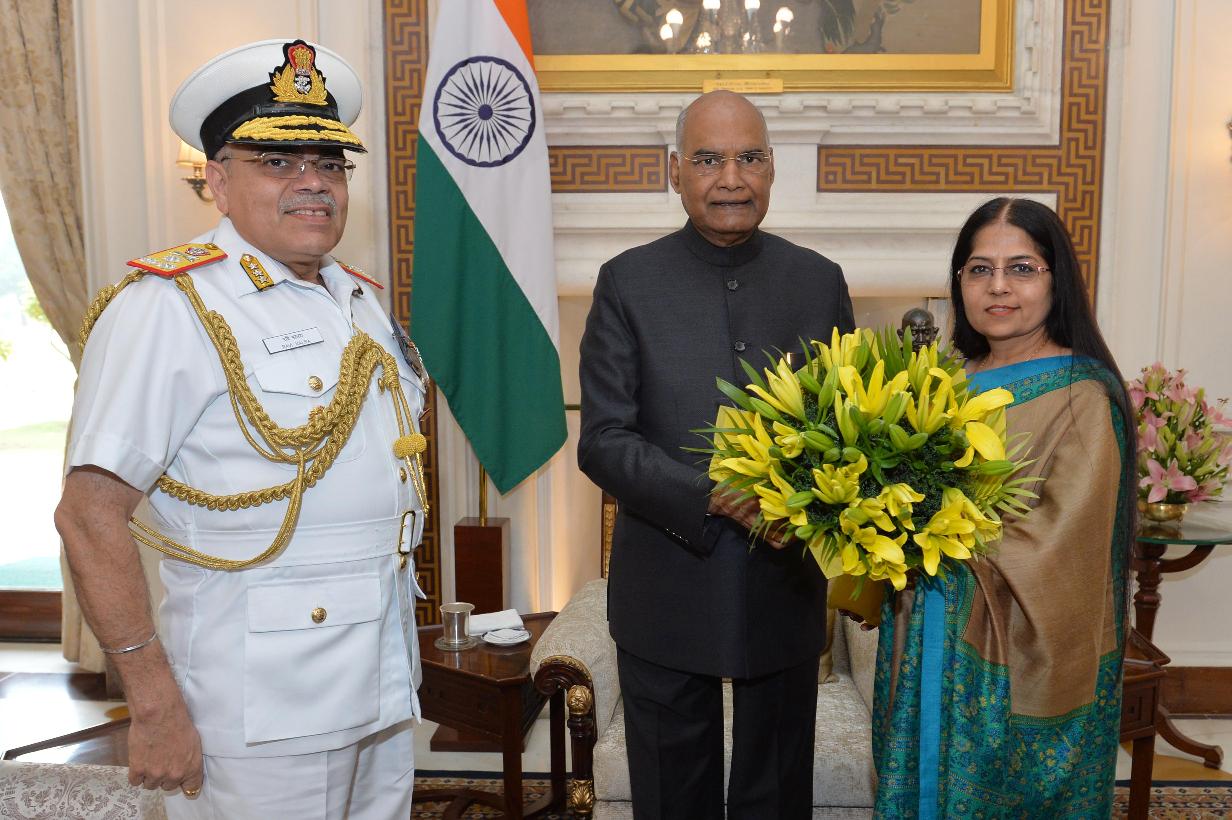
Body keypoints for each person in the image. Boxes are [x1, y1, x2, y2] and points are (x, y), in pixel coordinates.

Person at [54, 39, 428, 819]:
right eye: (278, 163)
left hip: (382, 682)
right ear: (218, 182)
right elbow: (89, 515)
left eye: (329, 165)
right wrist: (153, 704)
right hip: (260, 708)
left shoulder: (358, 301)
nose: (313, 183)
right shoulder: (169, 307)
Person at [578, 90, 855, 819]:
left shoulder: (819, 281)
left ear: (772, 169)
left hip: (783, 589)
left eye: (749, 158)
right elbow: (604, 441)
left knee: (776, 799)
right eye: (708, 159)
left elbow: (849, 429)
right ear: (675, 171)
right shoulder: (627, 282)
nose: (731, 178)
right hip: (665, 591)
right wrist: (711, 497)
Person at [870, 197, 1135, 817]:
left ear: (1056, 280)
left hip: (1008, 653)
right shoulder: (945, 383)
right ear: (959, 281)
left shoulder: (1081, 396)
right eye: (979, 269)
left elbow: (1064, 545)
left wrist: (926, 536)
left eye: (1021, 268)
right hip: (925, 635)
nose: (998, 287)